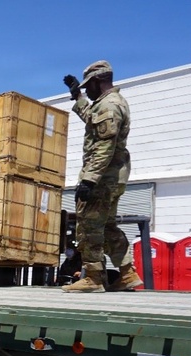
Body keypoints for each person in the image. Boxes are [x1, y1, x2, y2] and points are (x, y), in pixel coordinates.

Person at [62, 61, 143, 293]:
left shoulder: (109, 105)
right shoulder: (108, 104)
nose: (87, 90)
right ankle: (127, 274)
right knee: (107, 226)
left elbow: (104, 146)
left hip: (102, 178)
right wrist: (77, 96)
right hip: (111, 177)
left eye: (89, 86)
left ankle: (94, 278)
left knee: (89, 227)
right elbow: (91, 118)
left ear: (98, 81)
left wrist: (89, 179)